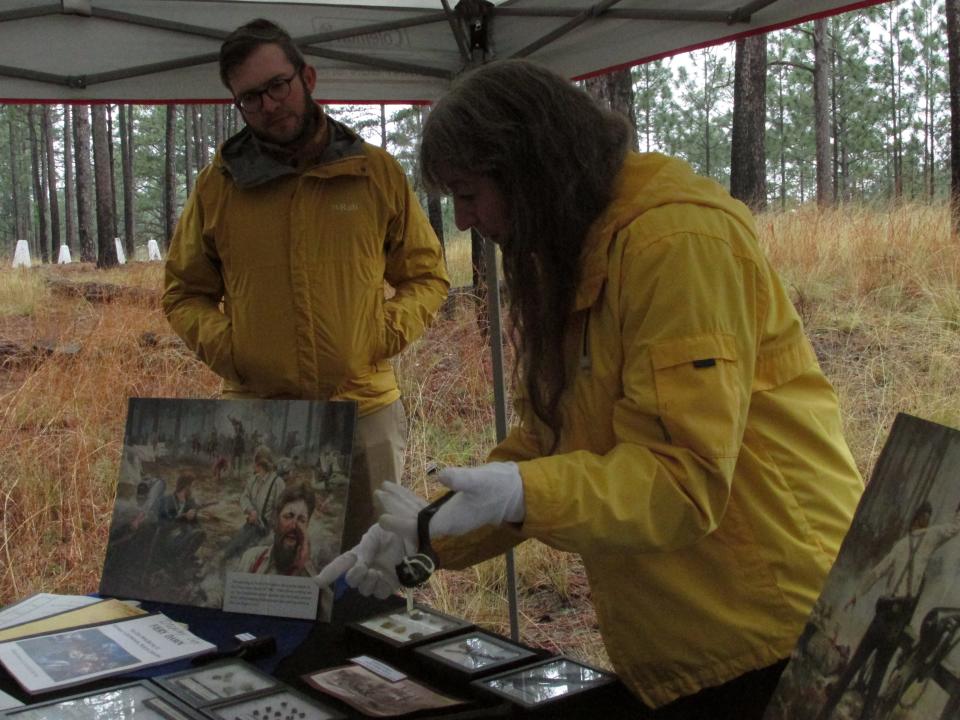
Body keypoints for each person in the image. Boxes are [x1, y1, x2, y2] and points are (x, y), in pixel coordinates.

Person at [316, 60, 864, 719]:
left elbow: (680, 484)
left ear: (531, 167)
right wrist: (427, 533)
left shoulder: (675, 242)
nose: (463, 219)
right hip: (687, 627)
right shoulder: (572, 247)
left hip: (776, 627)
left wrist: (522, 495)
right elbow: (550, 437)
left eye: (469, 191)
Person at [161, 18, 450, 547]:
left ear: (307, 77)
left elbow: (426, 274)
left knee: (369, 578)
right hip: (260, 420)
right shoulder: (218, 187)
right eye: (251, 97)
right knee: (262, 584)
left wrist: (378, 335)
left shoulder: (373, 173)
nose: (270, 104)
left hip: (364, 413)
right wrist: (235, 350)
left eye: (278, 85)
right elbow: (184, 292)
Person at [817, 501, 960, 720]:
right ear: (926, 521)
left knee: (853, 667)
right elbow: (954, 528)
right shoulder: (931, 537)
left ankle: (824, 714)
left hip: (882, 616)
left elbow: (876, 573)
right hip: (897, 622)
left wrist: (856, 595)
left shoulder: (901, 545)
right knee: (876, 681)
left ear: (913, 520)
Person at [221, 444, 285, 567]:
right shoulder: (253, 479)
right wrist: (251, 510)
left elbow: (282, 510)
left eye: (256, 463)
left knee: (248, 559)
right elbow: (244, 497)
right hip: (251, 525)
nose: (254, 466)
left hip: (266, 532)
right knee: (230, 550)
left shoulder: (278, 483)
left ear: (262, 464)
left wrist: (272, 528)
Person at [240, 483, 319, 576]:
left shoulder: (311, 574)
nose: (294, 526)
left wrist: (301, 566)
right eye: (288, 516)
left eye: (301, 520)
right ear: (276, 519)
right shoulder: (251, 559)